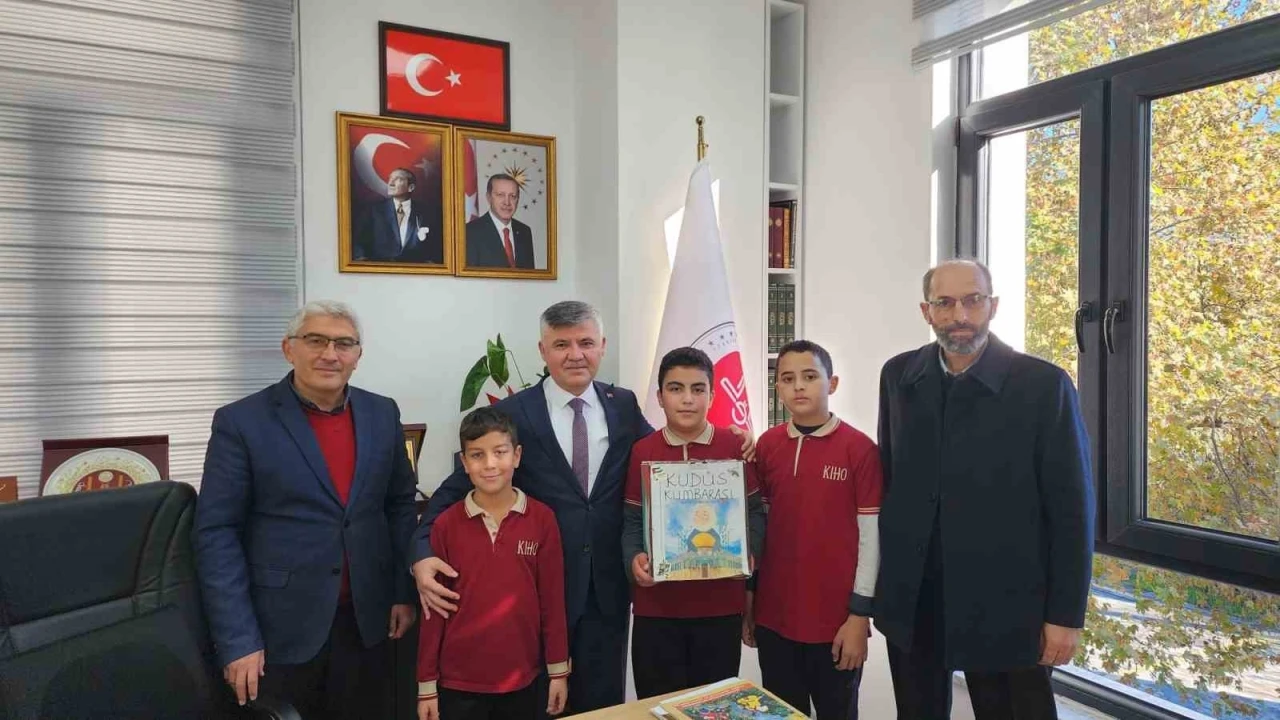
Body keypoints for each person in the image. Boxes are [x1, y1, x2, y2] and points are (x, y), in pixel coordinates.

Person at [411, 300, 754, 715]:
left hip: (606, 592)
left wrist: (732, 437)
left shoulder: (623, 405)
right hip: (535, 592)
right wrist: (422, 553)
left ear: (602, 346)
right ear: (543, 350)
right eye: (562, 345)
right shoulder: (512, 413)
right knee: (542, 705)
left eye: (586, 343)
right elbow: (453, 489)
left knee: (602, 708)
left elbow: (666, 453)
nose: (575, 354)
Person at [875, 258, 1094, 720]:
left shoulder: (1043, 386)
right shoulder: (898, 377)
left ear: (993, 306)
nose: (960, 315)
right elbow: (890, 481)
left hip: (1008, 606)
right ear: (926, 311)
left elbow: (1073, 511)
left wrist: (1065, 616)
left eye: (973, 300)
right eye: (945, 302)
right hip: (915, 599)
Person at [194, 300, 419, 719]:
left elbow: (400, 506)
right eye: (315, 341)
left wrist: (402, 593)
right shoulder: (241, 422)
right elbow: (216, 533)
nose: (330, 354)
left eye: (343, 344)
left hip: (368, 626)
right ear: (289, 349)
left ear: (358, 355)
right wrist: (238, 639)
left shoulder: (382, 412)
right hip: (280, 633)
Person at [746, 340, 882, 719]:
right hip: (774, 620)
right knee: (781, 714)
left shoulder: (860, 449)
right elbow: (759, 529)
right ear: (778, 388)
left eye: (809, 376)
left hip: (836, 624)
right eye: (788, 379)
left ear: (832, 383)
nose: (799, 387)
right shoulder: (768, 446)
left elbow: (871, 540)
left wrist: (859, 616)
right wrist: (750, 599)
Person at [621, 347, 767, 699]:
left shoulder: (736, 446)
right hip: (657, 611)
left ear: (712, 395)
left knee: (712, 705)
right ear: (660, 396)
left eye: (698, 389)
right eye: (676, 389)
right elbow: (632, 520)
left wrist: (750, 554)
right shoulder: (643, 451)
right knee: (657, 706)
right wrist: (634, 559)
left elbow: (755, 513)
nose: (687, 399)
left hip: (720, 608)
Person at [416, 407, 569, 720]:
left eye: (500, 452)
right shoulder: (445, 525)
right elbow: (433, 611)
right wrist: (426, 687)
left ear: (517, 455)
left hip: (523, 679)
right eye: (477, 455)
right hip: (458, 683)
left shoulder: (542, 520)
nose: (489, 464)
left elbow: (552, 602)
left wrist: (558, 672)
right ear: (464, 463)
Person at [355, 168, 443, 263]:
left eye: (398, 179)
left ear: (411, 187)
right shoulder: (374, 211)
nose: (390, 183)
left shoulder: (427, 212)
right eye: (390, 178)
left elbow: (436, 245)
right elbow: (359, 243)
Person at [465, 173, 534, 269]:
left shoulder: (524, 232)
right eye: (500, 195)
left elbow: (530, 275)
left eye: (513, 196)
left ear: (518, 200)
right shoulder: (470, 232)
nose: (507, 202)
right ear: (489, 197)